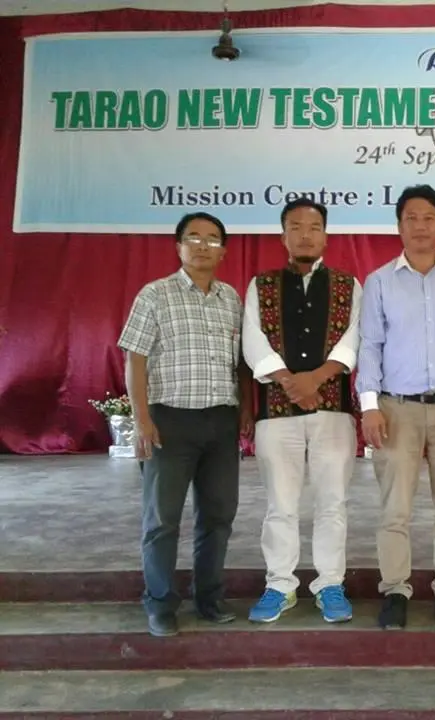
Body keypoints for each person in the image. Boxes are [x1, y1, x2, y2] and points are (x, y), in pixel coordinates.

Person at [118, 211, 253, 638]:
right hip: (169, 422)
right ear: (178, 246)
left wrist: (245, 408)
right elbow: (135, 359)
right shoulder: (155, 295)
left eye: (212, 239)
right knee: (162, 519)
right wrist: (142, 419)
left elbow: (242, 363)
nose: (202, 245)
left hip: (221, 422)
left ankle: (209, 598)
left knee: (218, 515)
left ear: (223, 251)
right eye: (193, 237)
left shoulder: (231, 299)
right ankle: (160, 603)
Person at [357, 184, 435, 631]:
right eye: (412, 218)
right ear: (399, 226)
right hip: (396, 409)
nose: (421, 226)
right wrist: (369, 406)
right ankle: (395, 591)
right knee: (395, 508)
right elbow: (370, 345)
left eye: (429, 218)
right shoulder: (380, 281)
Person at [242, 198, 362, 625]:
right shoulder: (261, 285)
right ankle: (280, 585)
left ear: (326, 236)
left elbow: (354, 338)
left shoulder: (349, 285)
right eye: (296, 227)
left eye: (313, 227)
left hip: (333, 412)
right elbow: (253, 340)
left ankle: (330, 583)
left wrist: (317, 378)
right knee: (281, 504)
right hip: (277, 412)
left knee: (332, 502)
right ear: (283, 236)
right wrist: (289, 381)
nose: (305, 235)